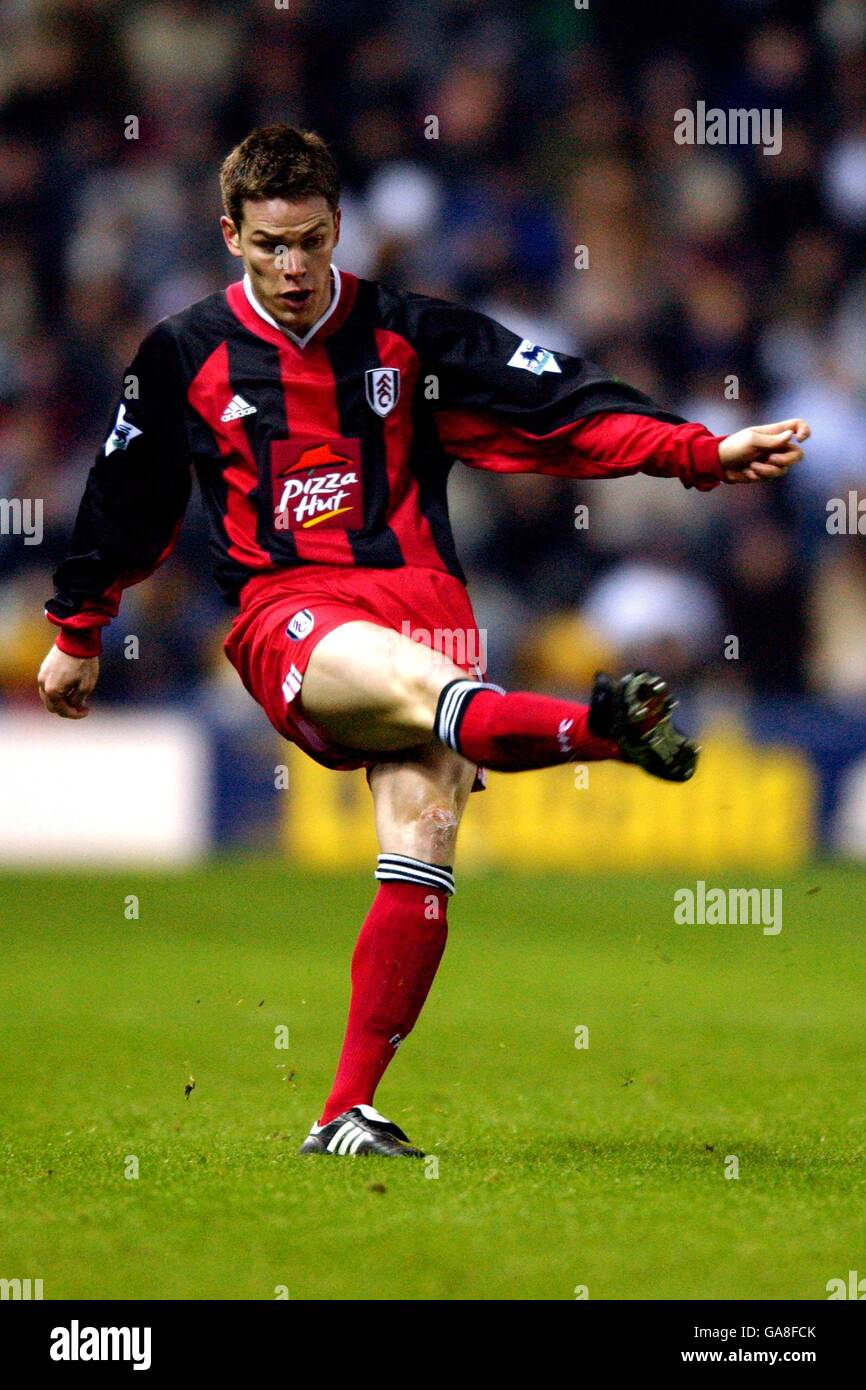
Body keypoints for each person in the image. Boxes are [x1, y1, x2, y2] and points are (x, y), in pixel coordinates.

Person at [37, 126, 809, 1158]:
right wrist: (78, 629)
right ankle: (597, 727)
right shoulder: (184, 352)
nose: (294, 266)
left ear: (338, 228)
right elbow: (123, 497)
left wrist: (700, 451)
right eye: (270, 245)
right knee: (419, 688)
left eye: (310, 241)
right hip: (291, 612)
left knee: (422, 830)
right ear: (230, 236)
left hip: (422, 599)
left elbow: (561, 410)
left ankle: (344, 1110)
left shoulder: (411, 335)